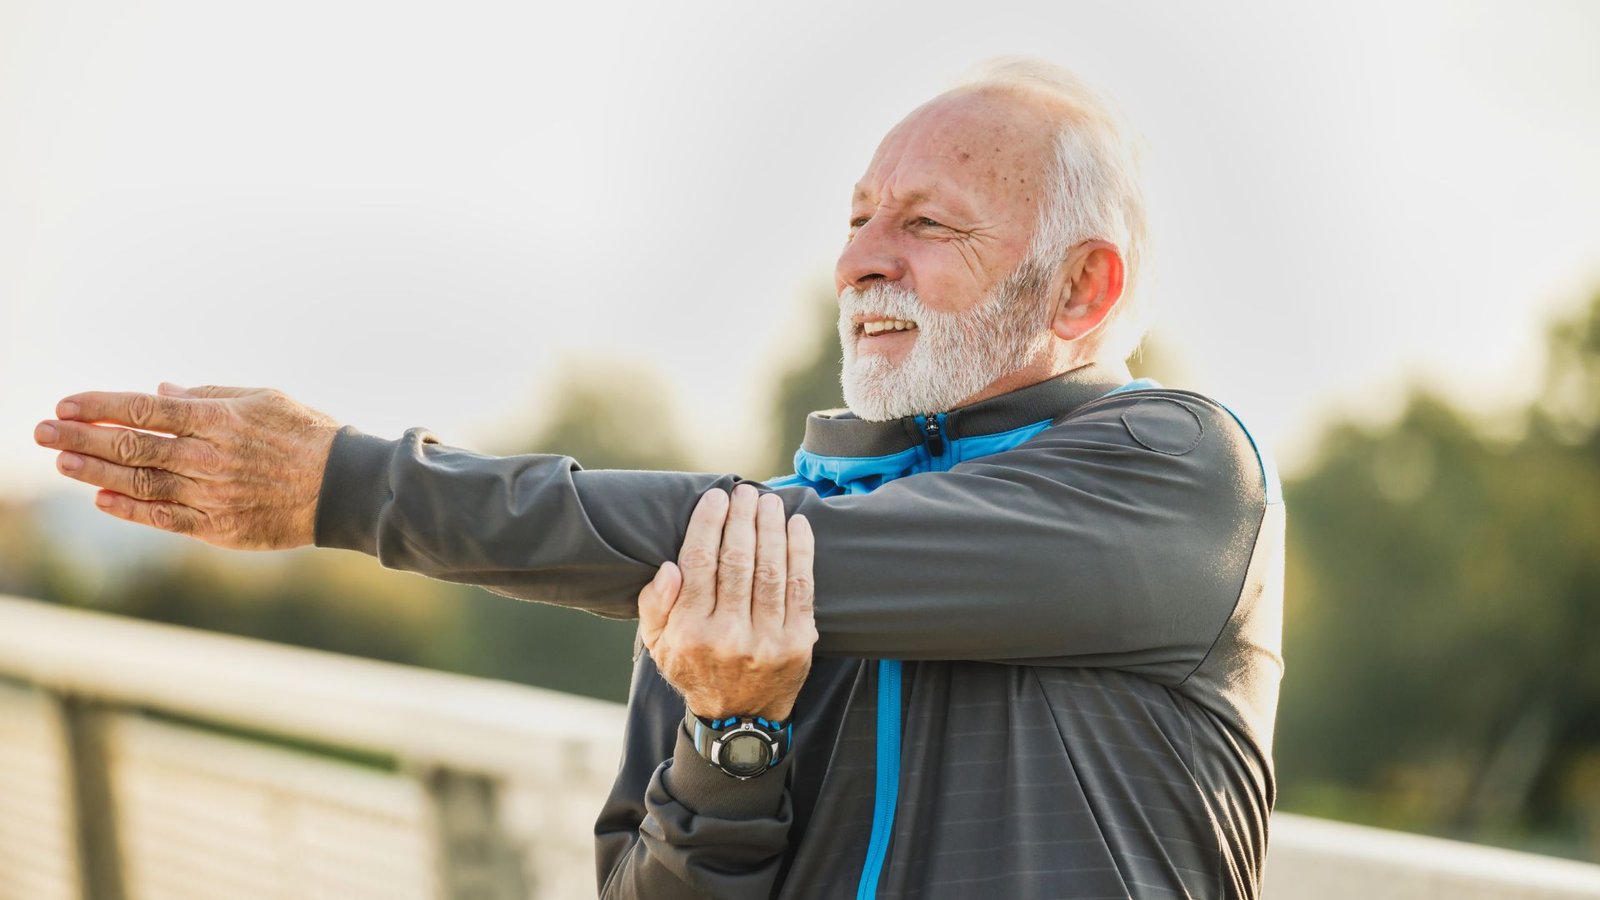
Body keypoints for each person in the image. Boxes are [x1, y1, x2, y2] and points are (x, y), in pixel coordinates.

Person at [33, 58, 1283, 898]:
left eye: (926, 223)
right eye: (855, 219)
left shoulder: (1176, 472)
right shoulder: (724, 557)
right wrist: (729, 746)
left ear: (1083, 287)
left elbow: (788, 549)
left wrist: (349, 486)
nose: (858, 261)